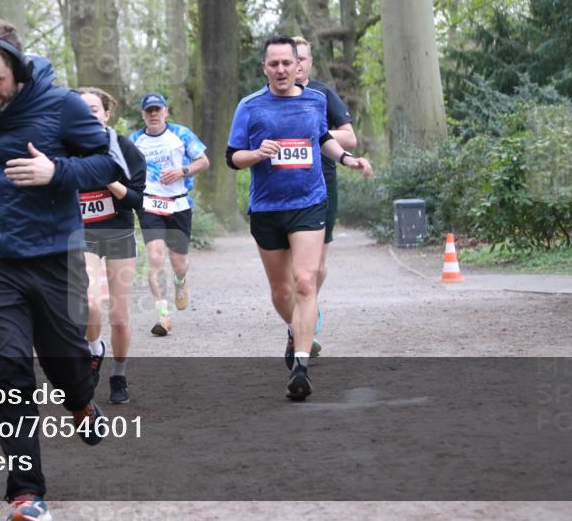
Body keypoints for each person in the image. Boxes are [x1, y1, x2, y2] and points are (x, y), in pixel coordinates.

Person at [0, 20, 122, 521]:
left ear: (18, 70)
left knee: (66, 368)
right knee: (9, 369)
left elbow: (110, 166)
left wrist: (56, 171)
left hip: (55, 260)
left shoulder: (62, 106)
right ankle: (27, 493)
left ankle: (81, 402)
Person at [226, 36, 372, 401]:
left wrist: (347, 160)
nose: (281, 69)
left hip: (309, 202)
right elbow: (232, 157)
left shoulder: (316, 100)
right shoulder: (250, 106)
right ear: (265, 68)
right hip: (267, 208)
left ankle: (301, 368)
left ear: (298, 65)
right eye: (273, 64)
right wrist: (256, 153)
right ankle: (295, 330)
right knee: (282, 291)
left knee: (305, 282)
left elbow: (321, 138)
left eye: (287, 63)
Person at [76, 87, 146, 405]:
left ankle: (119, 374)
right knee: (90, 304)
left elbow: (138, 200)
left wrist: (108, 179)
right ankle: (95, 351)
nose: (87, 115)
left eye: (93, 109)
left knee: (119, 316)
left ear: (106, 113)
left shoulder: (124, 149)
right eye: (81, 109)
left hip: (118, 234)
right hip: (82, 235)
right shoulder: (64, 147)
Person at [293, 36, 358, 354]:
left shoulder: (323, 94)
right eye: (291, 58)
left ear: (309, 62)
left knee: (316, 266)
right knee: (293, 267)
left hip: (322, 182)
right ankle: (299, 315)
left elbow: (350, 138)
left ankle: (310, 309)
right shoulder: (268, 98)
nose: (296, 64)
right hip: (283, 186)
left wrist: (314, 132)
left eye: (302, 58)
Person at [130, 93, 209, 336]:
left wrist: (182, 171)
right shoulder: (134, 140)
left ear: (166, 111)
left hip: (179, 205)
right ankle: (163, 317)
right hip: (150, 204)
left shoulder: (181, 134)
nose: (153, 114)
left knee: (179, 263)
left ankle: (180, 281)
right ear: (143, 114)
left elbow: (203, 161)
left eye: (158, 109)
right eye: (149, 111)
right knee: (155, 258)